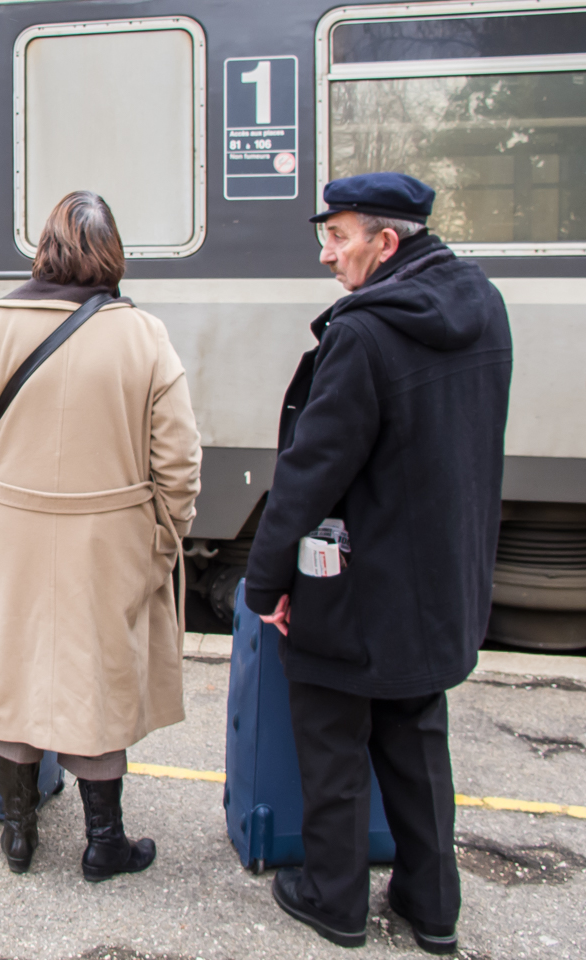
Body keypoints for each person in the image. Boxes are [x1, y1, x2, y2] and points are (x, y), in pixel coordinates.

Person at [244, 173, 512, 953]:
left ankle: (334, 900)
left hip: (356, 583)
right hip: (441, 580)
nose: (326, 254)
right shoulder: (482, 306)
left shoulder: (365, 333)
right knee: (418, 738)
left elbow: (309, 475)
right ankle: (432, 909)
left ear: (385, 242)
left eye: (336, 237)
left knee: (332, 739)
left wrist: (267, 582)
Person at [0, 191, 202, 881]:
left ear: (43, 249)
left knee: (10, 674)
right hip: (109, 543)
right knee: (99, 682)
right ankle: (103, 844)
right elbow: (179, 465)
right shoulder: (144, 336)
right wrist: (161, 542)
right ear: (114, 256)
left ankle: (19, 836)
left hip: (4, 532)